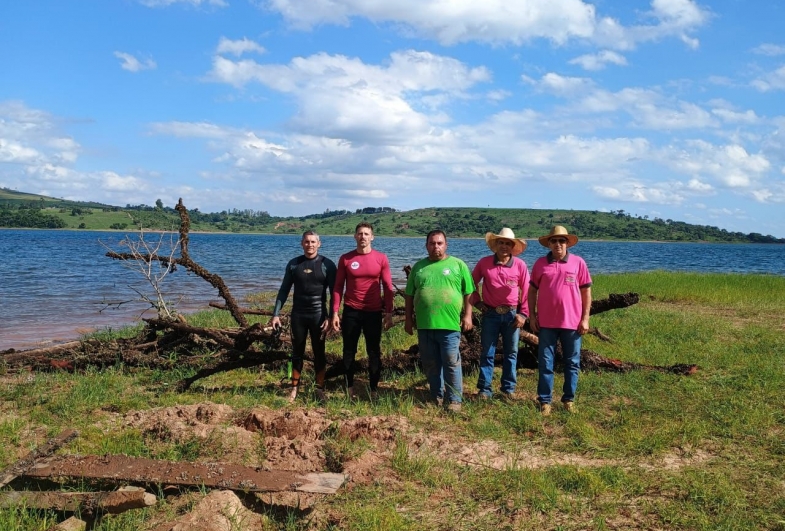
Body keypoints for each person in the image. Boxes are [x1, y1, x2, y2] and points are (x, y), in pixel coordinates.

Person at [404, 230, 474, 412]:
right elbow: (409, 295)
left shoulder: (458, 265)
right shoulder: (419, 267)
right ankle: (436, 395)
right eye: (432, 243)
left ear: (446, 245)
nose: (436, 246)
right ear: (426, 245)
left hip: (450, 325)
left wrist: (467, 316)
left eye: (440, 243)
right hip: (425, 325)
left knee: (451, 361)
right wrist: (408, 320)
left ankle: (455, 399)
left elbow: (469, 293)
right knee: (430, 362)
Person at [528, 225, 592, 416]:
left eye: (561, 240)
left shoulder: (578, 263)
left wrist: (585, 318)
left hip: (572, 323)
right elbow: (532, 291)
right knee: (545, 363)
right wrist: (532, 316)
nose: (558, 244)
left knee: (572, 363)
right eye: (554, 240)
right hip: (546, 323)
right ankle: (545, 401)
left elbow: (586, 291)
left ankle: (568, 399)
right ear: (549, 243)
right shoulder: (540, 264)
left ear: (567, 243)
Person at [271, 230, 337, 402]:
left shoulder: (327, 264)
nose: (310, 245)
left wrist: (331, 316)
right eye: (307, 242)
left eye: (313, 242)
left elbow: (334, 293)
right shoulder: (294, 264)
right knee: (297, 351)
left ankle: (320, 388)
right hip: (298, 314)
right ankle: (294, 388)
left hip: (318, 314)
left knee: (319, 352)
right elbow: (284, 290)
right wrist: (276, 314)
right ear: (302, 243)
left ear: (319, 244)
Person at [331, 222, 394, 399]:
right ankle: (349, 387)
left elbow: (388, 286)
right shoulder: (346, 258)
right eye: (360, 233)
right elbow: (338, 286)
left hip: (373, 312)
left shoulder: (381, 258)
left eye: (366, 234)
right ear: (355, 236)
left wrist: (388, 312)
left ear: (372, 237)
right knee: (348, 350)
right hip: (351, 311)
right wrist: (335, 312)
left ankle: (373, 389)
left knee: (374, 351)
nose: (363, 237)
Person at [470, 228, 530, 400]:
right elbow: (470, 283)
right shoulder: (484, 263)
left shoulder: (520, 265)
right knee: (487, 351)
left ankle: (508, 389)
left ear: (513, 246)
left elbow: (526, 291)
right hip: (490, 314)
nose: (504, 246)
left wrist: (523, 314)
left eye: (508, 243)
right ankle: (484, 389)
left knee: (511, 352)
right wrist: (477, 301)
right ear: (495, 245)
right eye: (501, 242)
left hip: (512, 314)